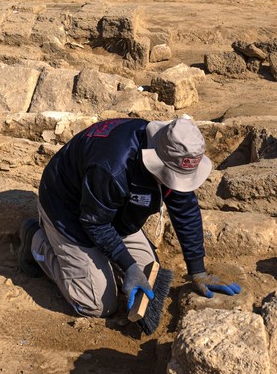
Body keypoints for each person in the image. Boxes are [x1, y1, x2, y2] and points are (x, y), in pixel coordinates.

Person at [18, 117, 242, 319]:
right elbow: (94, 222)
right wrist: (127, 264)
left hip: (113, 209)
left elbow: (186, 210)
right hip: (68, 211)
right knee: (97, 304)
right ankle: (36, 241)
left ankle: (98, 263)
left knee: (148, 274)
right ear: (158, 160)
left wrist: (198, 270)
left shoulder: (173, 151)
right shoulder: (112, 167)